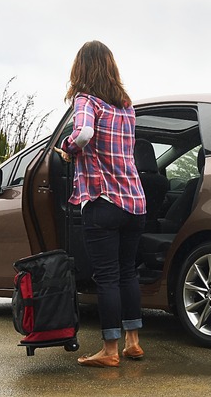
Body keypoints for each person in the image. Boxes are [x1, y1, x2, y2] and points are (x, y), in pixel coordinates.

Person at [55, 40, 147, 368]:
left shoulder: (86, 100)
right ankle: (133, 342)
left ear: (81, 68)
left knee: (106, 277)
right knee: (127, 273)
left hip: (103, 200)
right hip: (135, 203)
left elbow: (82, 135)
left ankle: (109, 350)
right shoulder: (126, 106)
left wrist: (68, 148)